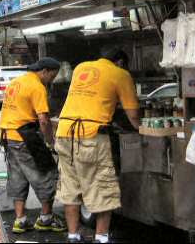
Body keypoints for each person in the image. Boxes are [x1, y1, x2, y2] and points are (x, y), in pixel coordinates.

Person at [55, 48, 140, 243]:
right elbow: (133, 115)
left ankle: (73, 236)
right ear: (120, 62)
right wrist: (140, 128)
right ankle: (101, 238)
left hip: (64, 132)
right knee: (102, 186)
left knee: (70, 187)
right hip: (91, 135)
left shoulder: (81, 68)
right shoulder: (120, 74)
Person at [0, 57, 66, 233]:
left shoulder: (16, 82)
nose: (52, 80)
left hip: (8, 136)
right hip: (25, 136)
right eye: (52, 76)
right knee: (46, 173)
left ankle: (20, 221)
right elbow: (44, 120)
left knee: (18, 177)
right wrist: (50, 143)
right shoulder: (37, 86)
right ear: (44, 71)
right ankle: (46, 219)